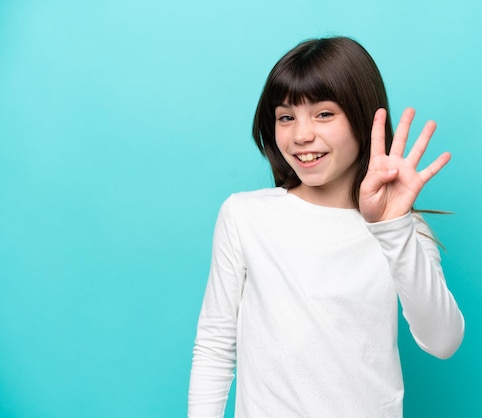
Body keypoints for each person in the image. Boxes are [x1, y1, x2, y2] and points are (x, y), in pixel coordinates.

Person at [188, 36, 464, 418]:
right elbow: (215, 347)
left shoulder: (400, 227)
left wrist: (393, 227)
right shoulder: (245, 216)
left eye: (323, 114)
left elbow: (443, 341)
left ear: (363, 118)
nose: (301, 135)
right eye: (286, 117)